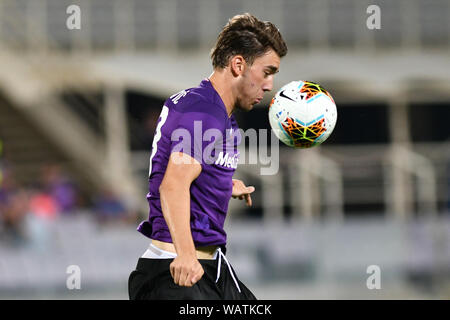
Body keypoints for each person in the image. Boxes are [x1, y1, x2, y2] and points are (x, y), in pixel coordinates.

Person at [128, 13, 287, 300]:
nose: (269, 85)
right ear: (238, 64)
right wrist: (187, 255)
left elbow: (187, 167)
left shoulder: (213, 110)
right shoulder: (206, 112)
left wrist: (224, 184)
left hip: (211, 270)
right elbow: (173, 184)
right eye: (267, 71)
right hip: (177, 273)